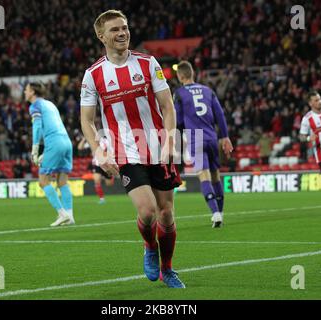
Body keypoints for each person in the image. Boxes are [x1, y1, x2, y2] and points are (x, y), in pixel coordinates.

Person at [80, 10, 185, 288]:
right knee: (148, 211)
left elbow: (167, 106)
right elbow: (86, 120)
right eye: (115, 30)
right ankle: (150, 247)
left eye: (124, 28)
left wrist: (170, 140)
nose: (122, 33)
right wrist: (98, 151)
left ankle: (168, 268)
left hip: (157, 146)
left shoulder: (149, 63)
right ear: (101, 36)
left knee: (166, 213)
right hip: (125, 150)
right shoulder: (93, 75)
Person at [173, 60, 233, 228]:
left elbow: (177, 121)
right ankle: (220, 212)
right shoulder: (208, 91)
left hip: (195, 137)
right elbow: (220, 115)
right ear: (192, 73)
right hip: (212, 137)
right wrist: (225, 136)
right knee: (215, 176)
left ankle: (214, 213)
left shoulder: (179, 93)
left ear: (181, 76)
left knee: (203, 175)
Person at [25, 82, 74, 227]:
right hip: (66, 141)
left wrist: (35, 149)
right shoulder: (50, 104)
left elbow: (37, 126)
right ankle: (70, 215)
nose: (24, 93)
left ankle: (62, 213)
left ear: (33, 92)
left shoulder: (35, 106)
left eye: (26, 90)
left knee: (43, 181)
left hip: (54, 143)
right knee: (62, 181)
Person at [78, 136, 114, 204]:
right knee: (97, 181)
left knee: (109, 184)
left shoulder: (107, 140)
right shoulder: (92, 141)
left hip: (107, 164)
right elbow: (80, 147)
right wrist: (84, 139)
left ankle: (110, 177)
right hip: (97, 164)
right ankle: (102, 199)